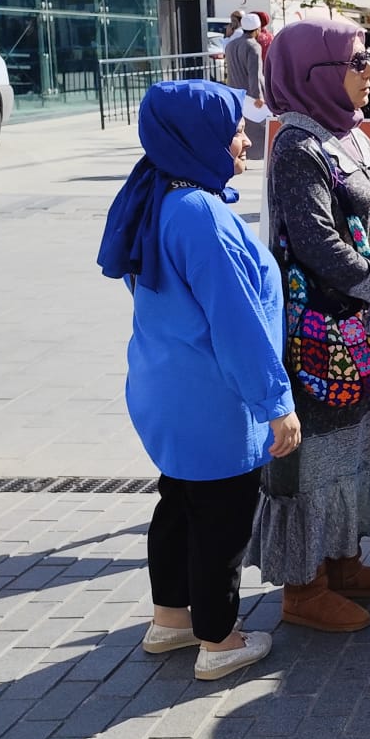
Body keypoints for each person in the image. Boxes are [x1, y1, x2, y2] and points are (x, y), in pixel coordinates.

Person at [99, 79, 294, 682]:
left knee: (179, 505)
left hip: (166, 390)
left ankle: (172, 619)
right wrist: (274, 403)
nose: (244, 139)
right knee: (222, 521)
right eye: (234, 128)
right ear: (197, 136)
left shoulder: (153, 193)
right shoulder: (201, 214)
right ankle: (220, 640)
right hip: (214, 397)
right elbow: (236, 321)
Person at [250, 18, 370, 633]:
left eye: (369, 59)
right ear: (315, 73)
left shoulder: (350, 135)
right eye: (358, 63)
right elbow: (319, 244)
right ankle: (305, 588)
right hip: (324, 336)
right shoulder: (296, 146)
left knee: (362, 448)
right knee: (321, 458)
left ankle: (345, 561)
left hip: (369, 326)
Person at [224, 12, 268, 161]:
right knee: (261, 127)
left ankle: (240, 156)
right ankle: (258, 156)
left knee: (240, 128)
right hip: (250, 95)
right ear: (257, 29)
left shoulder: (231, 44)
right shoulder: (253, 46)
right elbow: (254, 73)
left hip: (234, 92)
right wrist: (258, 96)